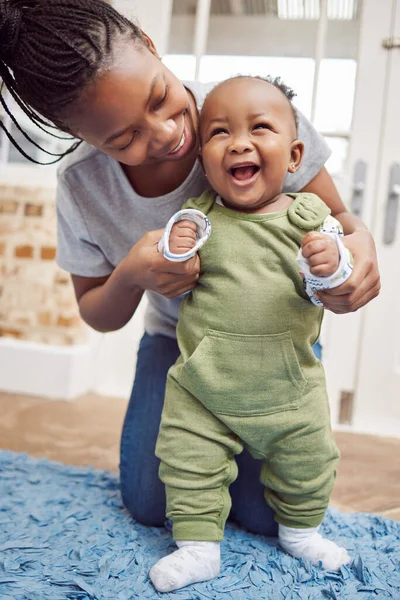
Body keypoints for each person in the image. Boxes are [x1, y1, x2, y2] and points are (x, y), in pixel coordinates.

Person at [0, 0, 380, 539]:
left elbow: (340, 219)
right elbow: (95, 312)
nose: (164, 134)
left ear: (153, 48)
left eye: (160, 96)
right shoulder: (83, 186)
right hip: (180, 343)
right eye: (124, 139)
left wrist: (359, 249)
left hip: (275, 341)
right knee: (151, 504)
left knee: (267, 515)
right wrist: (133, 272)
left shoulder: (249, 112)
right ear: (82, 137)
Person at [149, 75, 353, 593]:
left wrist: (331, 266)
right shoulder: (198, 217)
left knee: (309, 458)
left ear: (293, 155)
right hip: (205, 383)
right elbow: (173, 263)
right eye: (219, 132)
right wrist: (177, 242)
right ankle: (197, 548)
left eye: (260, 127)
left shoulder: (309, 219)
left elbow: (337, 283)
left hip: (288, 383)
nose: (239, 142)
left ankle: (302, 531)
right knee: (185, 457)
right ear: (203, 159)